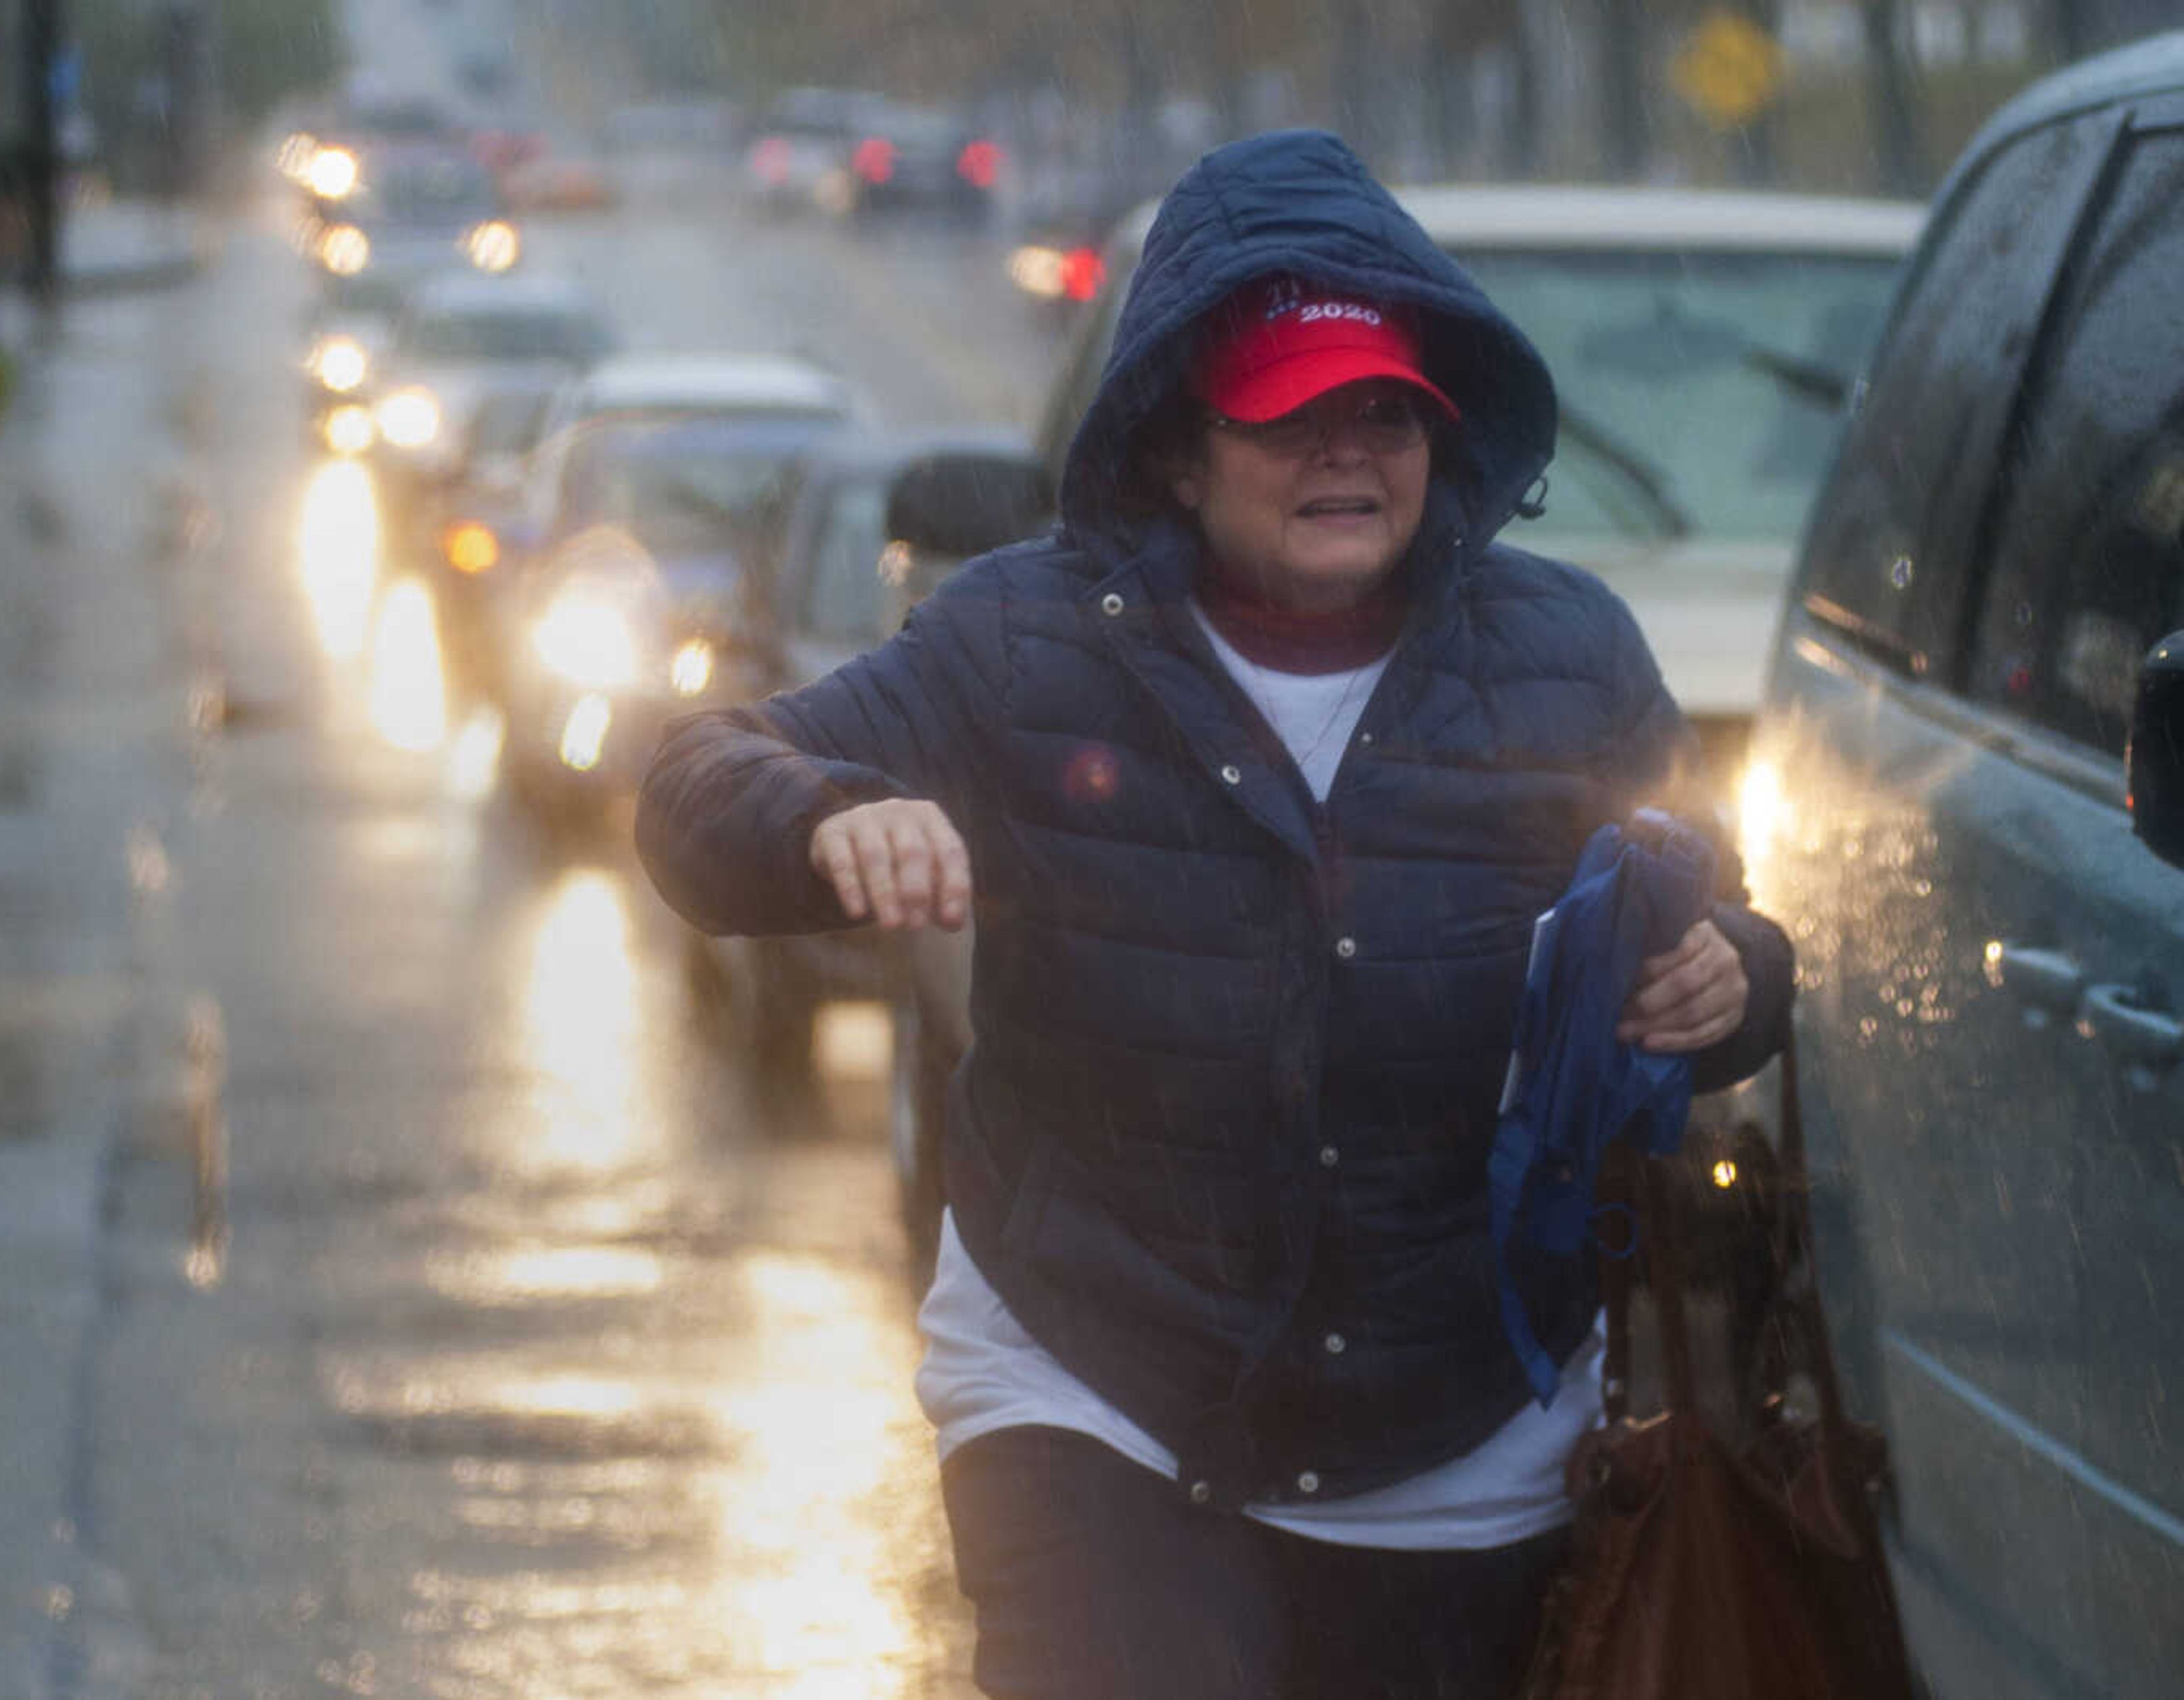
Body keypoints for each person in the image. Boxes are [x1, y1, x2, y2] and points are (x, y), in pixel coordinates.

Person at [636, 129, 1793, 1700]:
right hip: (1098, 1382)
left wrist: (1732, 979)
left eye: (1384, 410)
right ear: (1178, 447)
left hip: (1455, 1428)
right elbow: (700, 782)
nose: (1346, 450)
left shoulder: (1571, 656)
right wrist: (834, 815)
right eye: (1288, 410)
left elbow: (1709, 915)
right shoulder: (1020, 641)